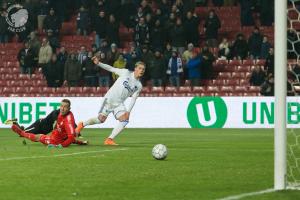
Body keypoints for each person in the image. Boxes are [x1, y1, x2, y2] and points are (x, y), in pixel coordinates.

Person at [75, 57, 145, 146]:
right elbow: (111, 68)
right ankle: (82, 124)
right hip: (109, 99)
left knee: (125, 120)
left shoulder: (139, 85)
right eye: (139, 68)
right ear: (135, 68)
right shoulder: (126, 72)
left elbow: (134, 99)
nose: (141, 70)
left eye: (143, 69)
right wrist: (99, 63)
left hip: (119, 103)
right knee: (100, 120)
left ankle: (109, 139)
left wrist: (128, 111)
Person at [10, 99, 87, 148]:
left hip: (53, 141)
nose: (62, 108)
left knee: (37, 137)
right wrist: (79, 142)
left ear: (69, 108)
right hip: (40, 125)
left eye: (65, 107)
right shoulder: (60, 113)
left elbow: (70, 136)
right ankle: (19, 128)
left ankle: (20, 130)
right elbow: (69, 135)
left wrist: (61, 146)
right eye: (61, 106)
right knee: (31, 135)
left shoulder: (68, 120)